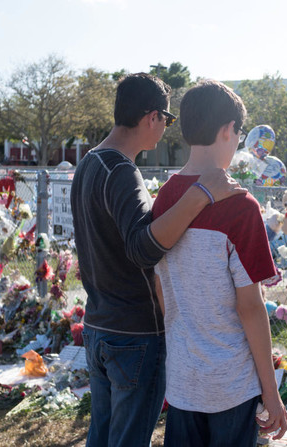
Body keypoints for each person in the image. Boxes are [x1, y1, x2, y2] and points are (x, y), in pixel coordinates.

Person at [70, 73, 246, 447]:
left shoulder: (88, 163)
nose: (166, 130)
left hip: (99, 326)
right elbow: (141, 248)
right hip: (135, 333)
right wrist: (200, 195)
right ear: (152, 116)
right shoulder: (121, 171)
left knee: (101, 437)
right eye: (166, 120)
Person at [152, 80, 287, 447]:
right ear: (229, 130)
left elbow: (160, 287)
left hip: (183, 381)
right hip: (231, 385)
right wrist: (271, 392)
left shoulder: (164, 199)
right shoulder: (240, 207)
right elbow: (250, 307)